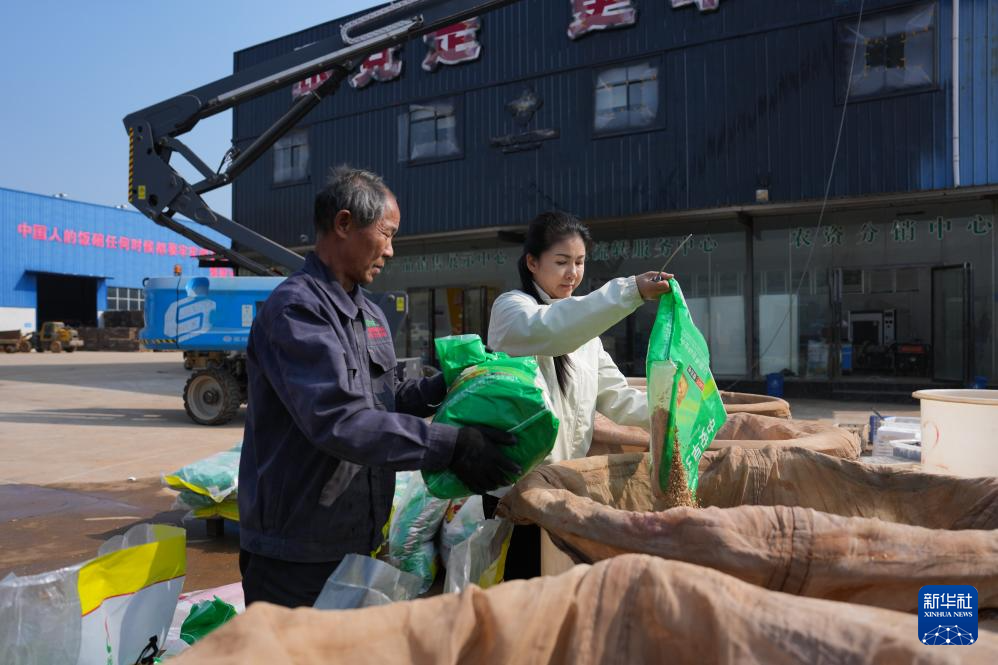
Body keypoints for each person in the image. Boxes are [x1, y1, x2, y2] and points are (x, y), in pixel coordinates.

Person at [238, 166, 519, 608]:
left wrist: (446, 385)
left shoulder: (369, 313)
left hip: (355, 538)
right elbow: (340, 421)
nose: (390, 250)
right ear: (344, 223)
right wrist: (452, 445)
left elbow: (383, 401)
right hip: (295, 551)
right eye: (386, 234)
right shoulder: (296, 310)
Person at [486, 211, 673, 578]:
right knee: (521, 587)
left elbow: (618, 397)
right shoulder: (511, 310)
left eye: (580, 262)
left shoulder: (586, 334)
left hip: (561, 490)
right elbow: (552, 329)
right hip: (516, 494)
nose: (572, 273)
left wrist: (671, 408)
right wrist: (630, 291)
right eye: (561, 262)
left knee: (560, 588)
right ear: (532, 263)